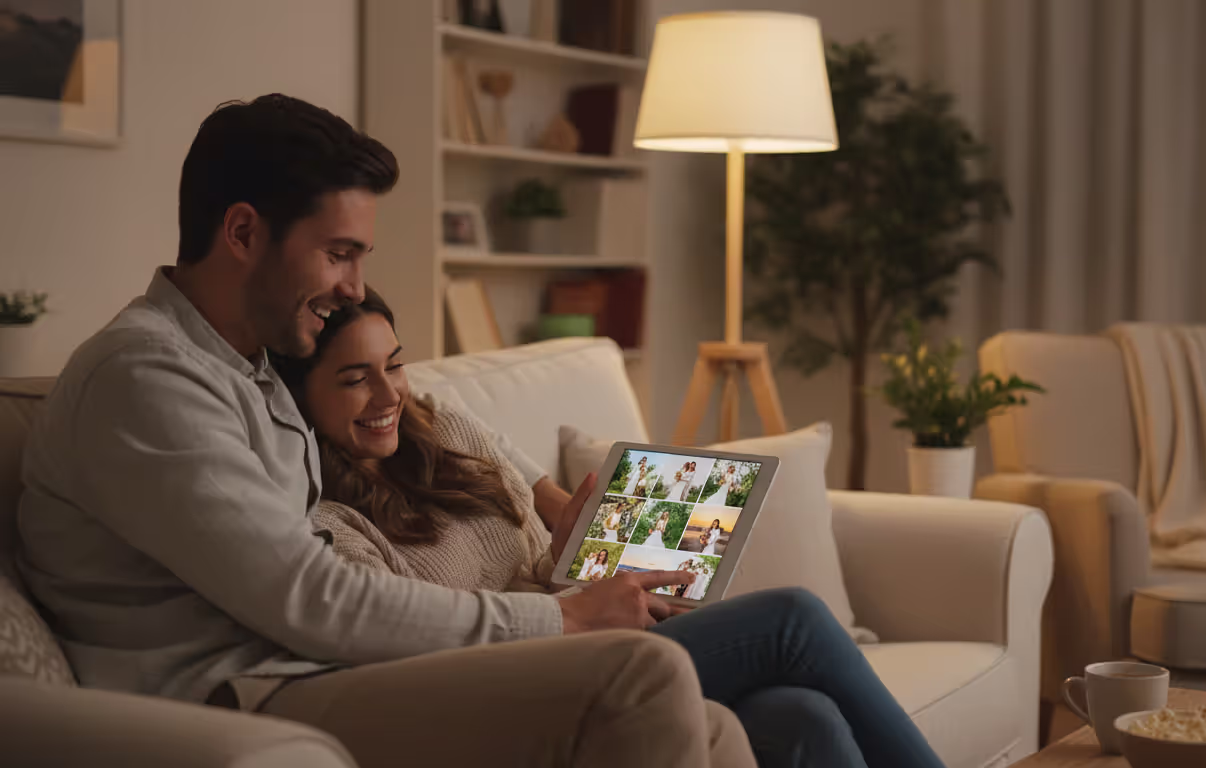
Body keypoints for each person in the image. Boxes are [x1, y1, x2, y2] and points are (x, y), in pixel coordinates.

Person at [15, 95, 754, 768]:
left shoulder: (257, 370)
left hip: (314, 671)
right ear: (242, 232)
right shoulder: (145, 376)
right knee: (643, 673)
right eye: (339, 252)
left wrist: (559, 530)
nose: (356, 287)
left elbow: (441, 433)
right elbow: (312, 597)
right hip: (238, 700)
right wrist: (559, 616)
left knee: (712, 723)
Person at [272, 289, 950, 768]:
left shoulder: (441, 424)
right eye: (356, 380)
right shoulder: (334, 528)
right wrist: (565, 604)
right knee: (794, 620)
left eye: (393, 364)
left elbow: (561, 510)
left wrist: (592, 546)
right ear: (303, 399)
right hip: (542, 666)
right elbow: (417, 653)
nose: (389, 395)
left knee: (803, 716)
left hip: (598, 616)